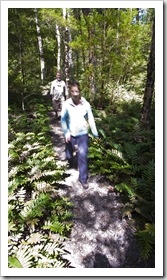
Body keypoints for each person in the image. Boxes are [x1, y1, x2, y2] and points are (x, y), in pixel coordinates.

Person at [61, 81, 98, 189]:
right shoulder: (66, 104)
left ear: (80, 91)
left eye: (77, 91)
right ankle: (71, 160)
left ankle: (83, 179)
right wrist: (66, 132)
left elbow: (91, 119)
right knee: (69, 155)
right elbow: (63, 120)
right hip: (71, 134)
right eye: (73, 91)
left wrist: (95, 134)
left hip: (83, 134)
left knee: (83, 155)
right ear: (70, 92)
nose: (75, 94)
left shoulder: (86, 104)